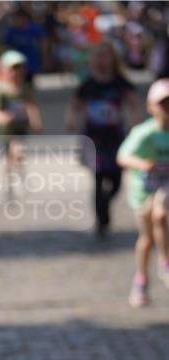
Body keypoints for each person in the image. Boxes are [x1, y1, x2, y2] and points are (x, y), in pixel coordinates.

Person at [66, 39, 143, 237]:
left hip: (115, 137)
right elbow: (75, 105)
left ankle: (106, 203)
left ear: (113, 59)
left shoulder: (120, 82)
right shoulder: (87, 84)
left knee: (116, 180)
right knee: (98, 178)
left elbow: (134, 105)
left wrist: (136, 126)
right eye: (98, 55)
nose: (102, 60)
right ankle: (101, 221)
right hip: (93, 138)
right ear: (92, 60)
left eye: (105, 56)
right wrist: (72, 121)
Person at [117, 77, 169, 307]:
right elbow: (123, 156)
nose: (168, 107)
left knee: (161, 212)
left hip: (165, 187)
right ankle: (141, 281)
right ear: (151, 107)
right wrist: (142, 164)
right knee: (146, 239)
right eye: (163, 103)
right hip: (143, 189)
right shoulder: (144, 132)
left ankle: (165, 263)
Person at [0, 50, 42, 179]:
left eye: (19, 68)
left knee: (18, 148)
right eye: (13, 69)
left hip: (21, 126)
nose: (16, 72)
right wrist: (1, 117)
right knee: (8, 153)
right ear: (4, 70)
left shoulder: (26, 89)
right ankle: (10, 173)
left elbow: (32, 105)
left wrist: (36, 122)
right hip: (6, 129)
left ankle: (19, 171)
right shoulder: (0, 90)